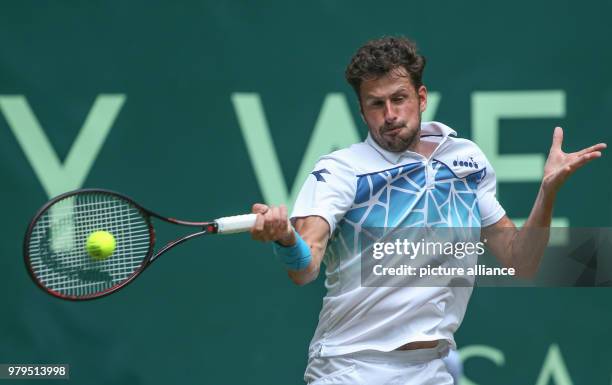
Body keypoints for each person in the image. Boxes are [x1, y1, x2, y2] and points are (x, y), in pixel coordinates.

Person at [250, 36, 606, 384]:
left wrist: (548, 193)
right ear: (362, 111)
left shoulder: (464, 161)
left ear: (421, 98)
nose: (389, 115)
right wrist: (284, 238)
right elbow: (304, 266)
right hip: (350, 367)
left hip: (430, 368)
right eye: (376, 104)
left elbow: (521, 262)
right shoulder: (341, 170)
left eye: (398, 99)